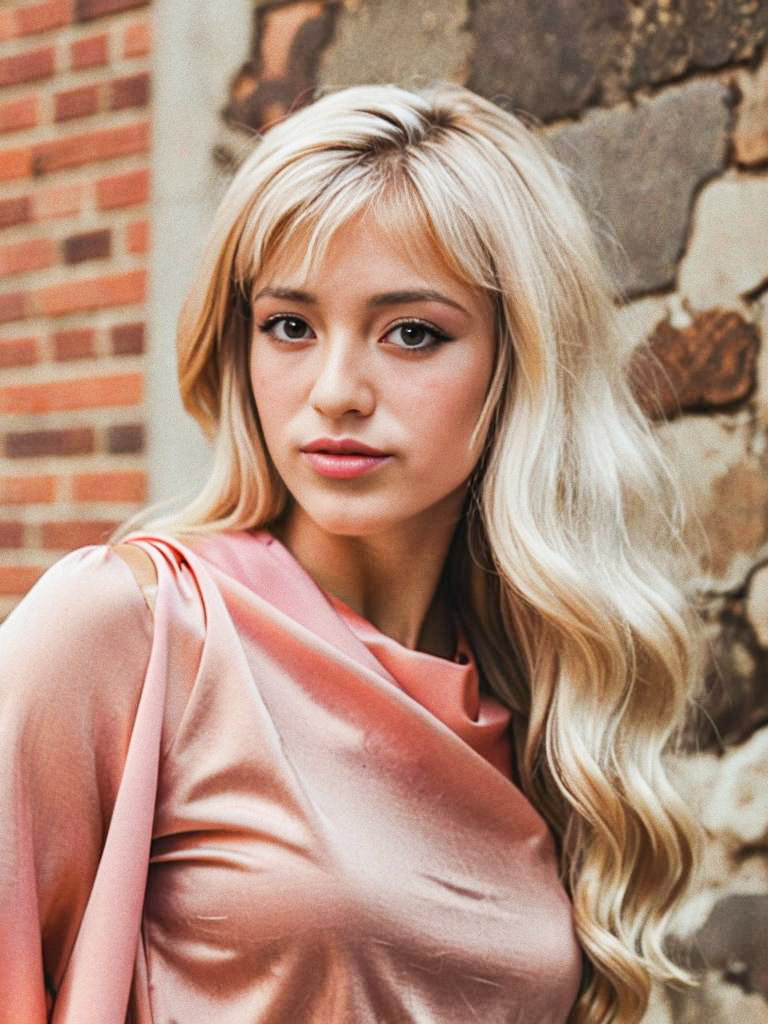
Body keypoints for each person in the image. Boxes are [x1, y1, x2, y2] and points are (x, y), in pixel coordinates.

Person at [0, 82, 701, 1024]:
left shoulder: (541, 705)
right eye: (290, 325)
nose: (335, 391)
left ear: (517, 363)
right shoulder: (132, 625)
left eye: (412, 333)